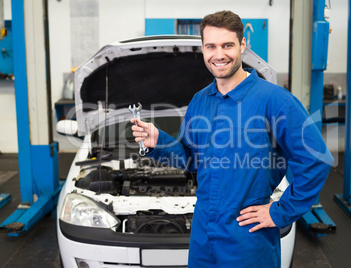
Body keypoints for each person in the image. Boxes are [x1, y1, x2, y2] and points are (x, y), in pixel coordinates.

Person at [131, 10, 334, 268]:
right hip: (203, 234)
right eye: (211, 46)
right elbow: (192, 159)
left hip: (247, 237)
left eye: (228, 45)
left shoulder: (275, 100)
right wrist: (159, 140)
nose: (219, 54)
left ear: (243, 45)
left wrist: (280, 211)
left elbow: (316, 159)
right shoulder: (200, 101)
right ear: (203, 49)